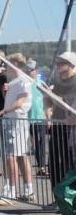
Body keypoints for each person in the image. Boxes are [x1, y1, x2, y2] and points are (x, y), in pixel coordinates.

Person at [0, 54, 33, 202]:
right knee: (17, 156)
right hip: (10, 121)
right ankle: (26, 189)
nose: (6, 66)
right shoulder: (13, 82)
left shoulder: (23, 81)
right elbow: (10, 101)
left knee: (12, 157)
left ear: (17, 64)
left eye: (10, 63)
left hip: (17, 122)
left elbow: (19, 103)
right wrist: (4, 93)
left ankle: (12, 192)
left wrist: (1, 112)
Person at [46, 51, 76, 190]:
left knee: (67, 163)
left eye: (62, 63)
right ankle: (57, 196)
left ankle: (67, 197)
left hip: (70, 128)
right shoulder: (57, 82)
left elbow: (67, 104)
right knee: (52, 163)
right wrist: (48, 113)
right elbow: (51, 102)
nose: (58, 65)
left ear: (71, 65)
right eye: (58, 62)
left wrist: (51, 96)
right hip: (57, 125)